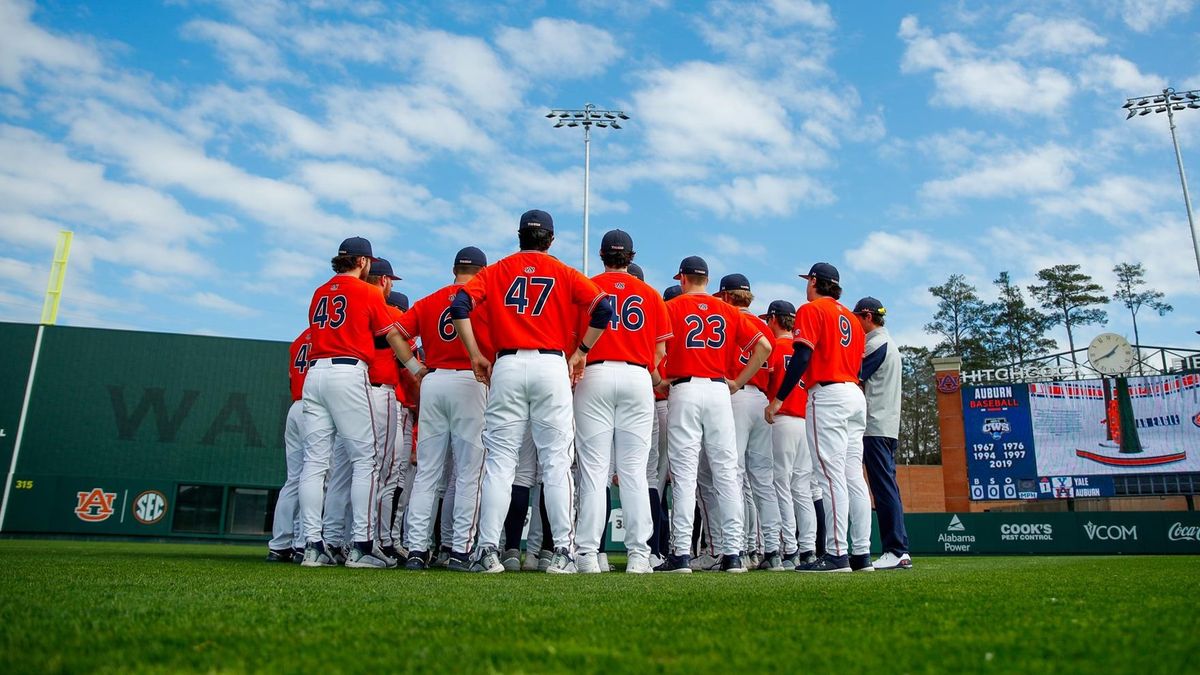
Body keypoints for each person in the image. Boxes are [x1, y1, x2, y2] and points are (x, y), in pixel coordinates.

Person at [450, 209, 613, 574]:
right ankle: (563, 554)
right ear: (551, 240)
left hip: (507, 364)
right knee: (556, 463)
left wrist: (475, 354)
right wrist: (581, 352)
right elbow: (604, 308)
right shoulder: (564, 271)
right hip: (551, 365)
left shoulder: (497, 270)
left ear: (519, 236)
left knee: (500, 464)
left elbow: (459, 304)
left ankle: (488, 551)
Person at [298, 237, 412, 569]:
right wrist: (417, 369)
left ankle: (312, 546)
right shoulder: (368, 292)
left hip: (315, 374)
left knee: (315, 464)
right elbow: (392, 334)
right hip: (348, 373)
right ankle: (362, 545)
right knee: (366, 461)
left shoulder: (320, 291)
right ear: (363, 262)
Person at [659, 256, 771, 573]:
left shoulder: (672, 307)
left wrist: (659, 380)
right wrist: (738, 380)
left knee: (684, 474)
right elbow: (763, 346)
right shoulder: (727, 310)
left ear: (682, 279)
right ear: (707, 280)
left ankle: (681, 553)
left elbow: (656, 349)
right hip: (719, 390)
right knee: (726, 473)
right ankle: (733, 554)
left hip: (685, 388)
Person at [572, 230, 670, 574]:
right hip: (637, 376)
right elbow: (660, 352)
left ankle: (586, 554)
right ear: (631, 256)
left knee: (594, 471)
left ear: (602, 255)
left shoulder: (586, 284)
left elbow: (575, 337)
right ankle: (638, 555)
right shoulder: (650, 293)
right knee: (634, 473)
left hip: (594, 374)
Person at [395, 247, 491, 571]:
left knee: (427, 473)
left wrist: (413, 367)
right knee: (468, 473)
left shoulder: (429, 299)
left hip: (434, 380)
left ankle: (417, 551)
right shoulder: (482, 299)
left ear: (454, 269)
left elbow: (396, 333)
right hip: (470, 380)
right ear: (482, 271)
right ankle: (460, 551)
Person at [766, 262, 865, 573]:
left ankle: (837, 554)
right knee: (853, 479)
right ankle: (861, 553)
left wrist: (779, 397)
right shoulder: (852, 318)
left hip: (829, 394)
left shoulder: (811, 309)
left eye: (807, 280)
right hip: (853, 393)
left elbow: (803, 356)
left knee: (829, 477)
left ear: (813, 281)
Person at [715, 274, 785, 571]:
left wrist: (736, 382)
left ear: (728, 296)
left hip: (736, 394)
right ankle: (774, 551)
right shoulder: (761, 325)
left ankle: (741, 549)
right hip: (761, 401)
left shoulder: (727, 317)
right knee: (763, 481)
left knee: (734, 475)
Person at [854, 297, 912, 570]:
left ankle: (895, 549)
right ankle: (899, 548)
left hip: (876, 425)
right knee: (888, 485)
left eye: (857, 317)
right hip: (886, 425)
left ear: (867, 316)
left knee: (883, 487)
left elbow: (855, 374)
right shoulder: (887, 341)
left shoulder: (876, 343)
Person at [761, 300, 818, 568]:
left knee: (781, 485)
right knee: (802, 489)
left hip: (783, 419)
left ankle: (790, 549)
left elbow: (766, 383)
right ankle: (808, 549)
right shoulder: (804, 347)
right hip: (806, 421)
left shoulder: (776, 347)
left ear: (774, 319)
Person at [363, 260, 405, 565]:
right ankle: (378, 541)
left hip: (351, 390)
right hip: (379, 394)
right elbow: (405, 360)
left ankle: (325, 540)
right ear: (385, 281)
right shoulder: (387, 313)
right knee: (381, 472)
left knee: (341, 472)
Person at [267, 327, 312, 562]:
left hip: (295, 406)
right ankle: (304, 543)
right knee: (318, 476)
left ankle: (280, 545)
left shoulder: (297, 341)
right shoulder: (331, 334)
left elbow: (290, 378)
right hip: (314, 408)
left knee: (294, 479)